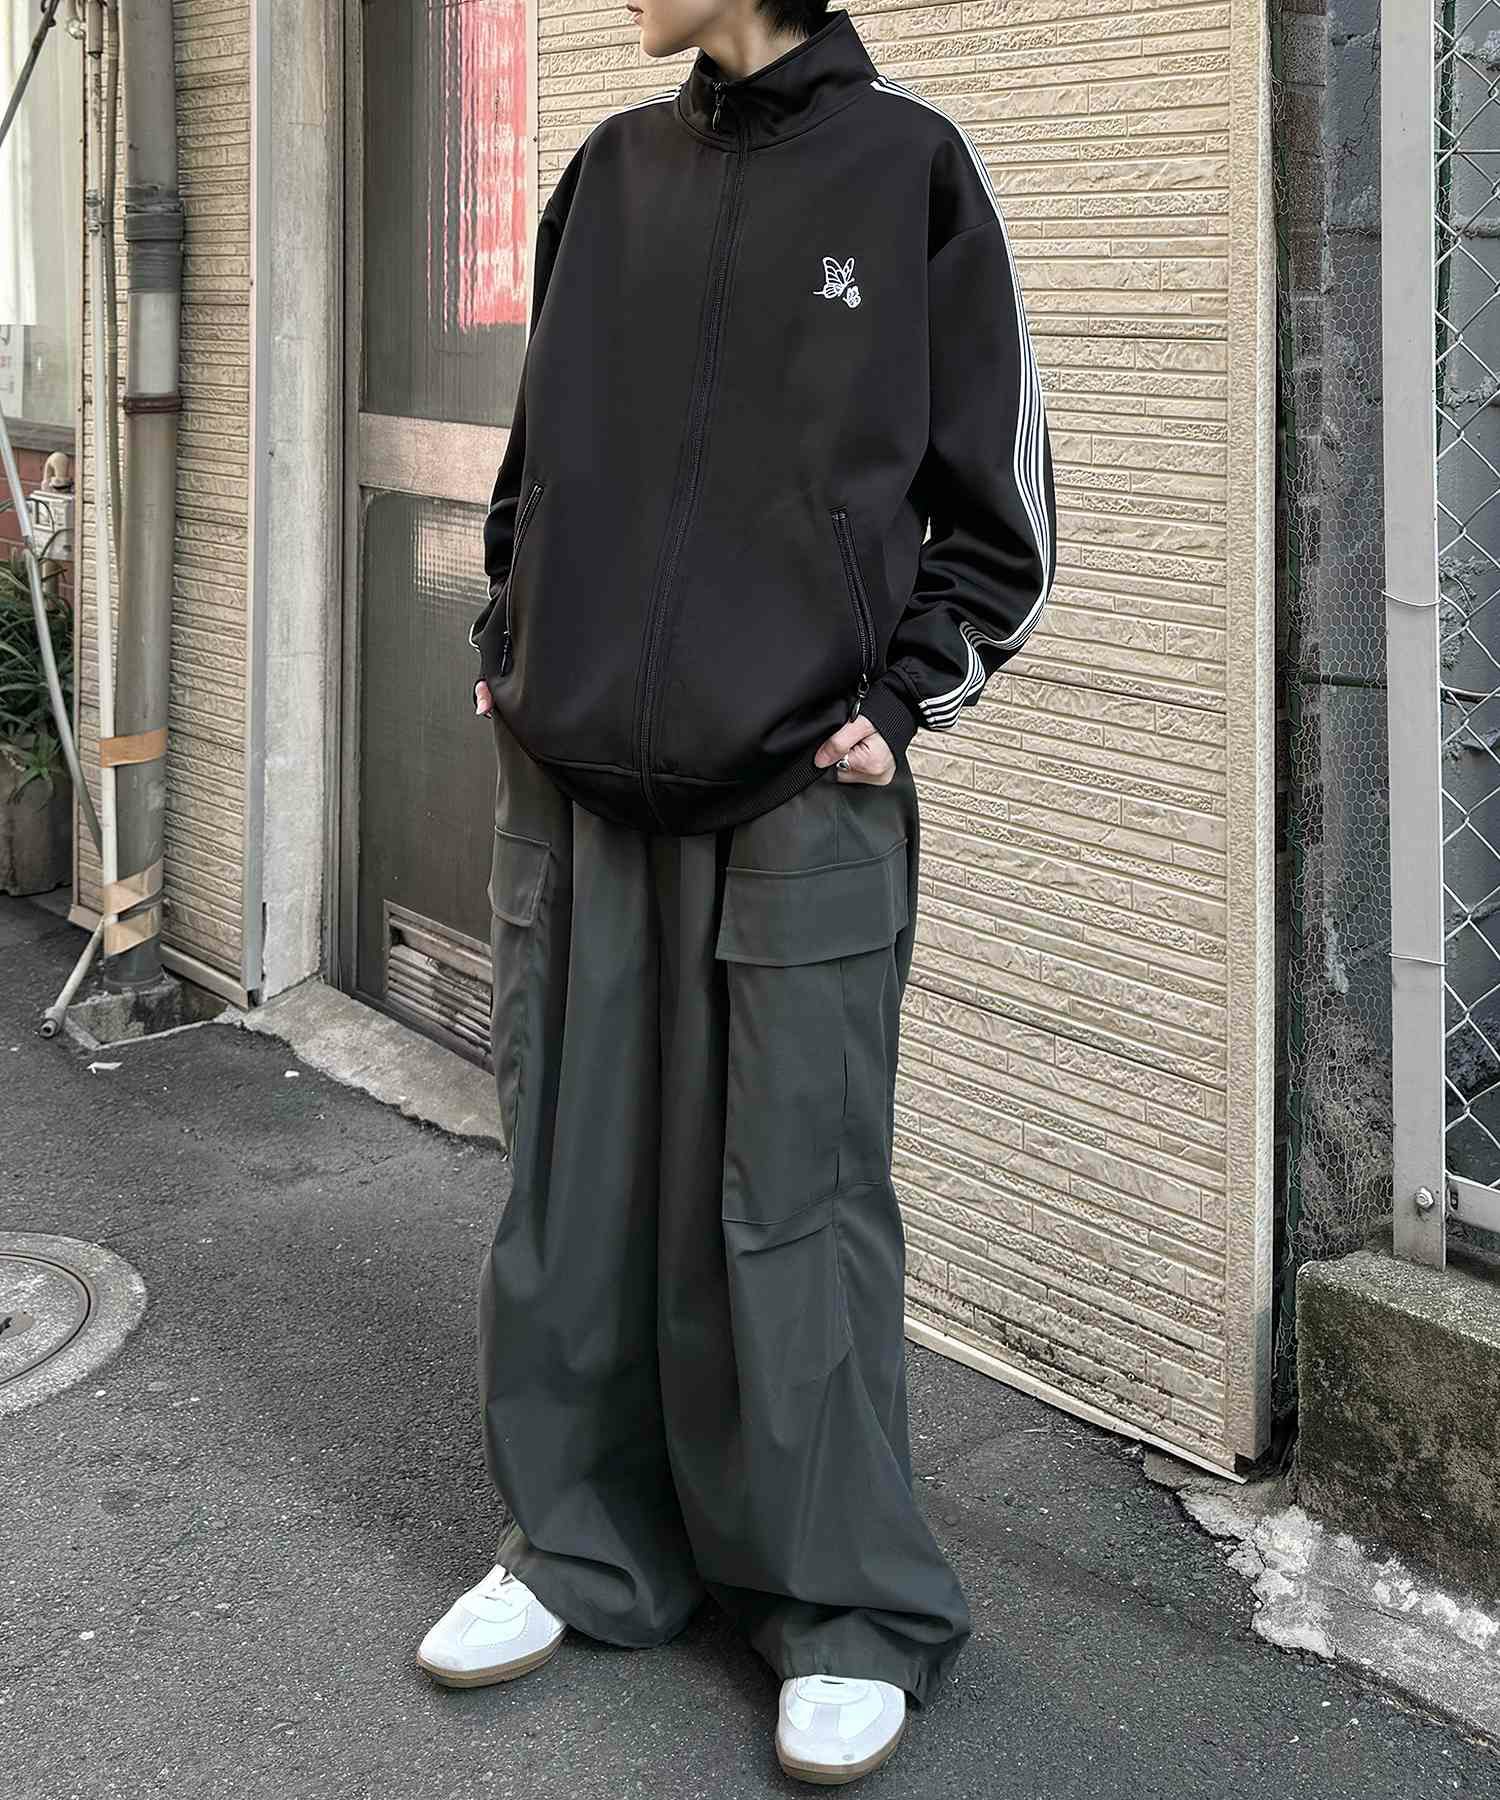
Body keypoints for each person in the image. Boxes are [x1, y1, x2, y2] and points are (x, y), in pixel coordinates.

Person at [418, 0, 1056, 1784]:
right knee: (574, 1174)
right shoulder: (611, 174)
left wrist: (898, 701)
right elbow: (542, 457)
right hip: (576, 777)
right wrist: (509, 637)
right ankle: (583, 1547)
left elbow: (999, 516)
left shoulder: (909, 172)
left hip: (797, 781)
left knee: (794, 1195)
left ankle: (843, 1605)